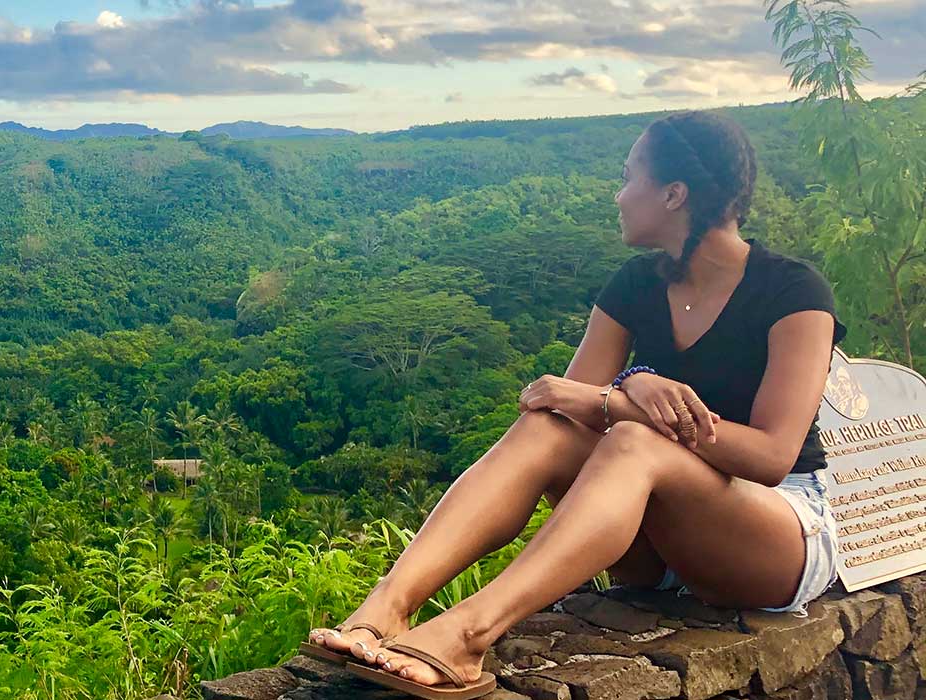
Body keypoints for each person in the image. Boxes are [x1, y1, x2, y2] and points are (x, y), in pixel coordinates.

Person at [304, 110, 849, 698]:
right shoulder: (635, 285)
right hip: (659, 547)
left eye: (627, 176)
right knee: (547, 430)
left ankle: (468, 634)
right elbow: (565, 410)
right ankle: (387, 606)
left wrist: (629, 405)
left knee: (634, 442)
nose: (617, 196)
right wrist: (632, 384)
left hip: (777, 532)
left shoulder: (793, 291)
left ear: (673, 194)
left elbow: (773, 455)